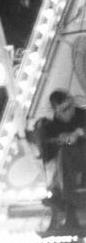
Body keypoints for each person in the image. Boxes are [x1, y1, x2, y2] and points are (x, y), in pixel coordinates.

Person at [34, 89, 86, 232]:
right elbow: (47, 142)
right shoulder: (52, 125)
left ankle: (67, 207)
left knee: (65, 154)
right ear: (56, 110)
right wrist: (59, 138)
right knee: (61, 156)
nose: (68, 112)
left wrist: (78, 133)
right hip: (66, 166)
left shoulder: (82, 115)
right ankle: (67, 210)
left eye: (69, 107)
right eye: (63, 110)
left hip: (81, 158)